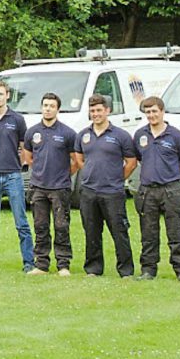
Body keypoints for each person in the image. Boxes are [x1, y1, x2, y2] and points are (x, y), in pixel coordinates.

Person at [73, 94, 138, 278]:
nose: (96, 114)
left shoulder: (121, 135)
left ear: (107, 111)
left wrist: (117, 179)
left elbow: (131, 162)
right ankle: (93, 269)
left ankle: (126, 271)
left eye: (99, 110)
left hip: (113, 192)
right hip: (89, 191)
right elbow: (79, 158)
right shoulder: (83, 135)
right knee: (91, 232)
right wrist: (89, 173)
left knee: (119, 232)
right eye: (92, 111)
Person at [133, 96, 180, 283]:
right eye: (148, 112)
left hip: (171, 190)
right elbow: (139, 159)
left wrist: (168, 177)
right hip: (147, 191)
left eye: (154, 111)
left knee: (177, 232)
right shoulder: (140, 135)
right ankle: (148, 270)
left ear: (162, 112)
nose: (151, 115)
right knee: (148, 234)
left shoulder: (176, 135)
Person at [0, 80, 33, 273]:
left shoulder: (17, 119)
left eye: (1, 94)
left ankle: (29, 262)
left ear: (7, 95)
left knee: (21, 221)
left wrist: (20, 164)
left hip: (13, 176)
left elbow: (24, 146)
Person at [23, 92, 78, 276]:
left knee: (61, 226)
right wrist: (40, 171)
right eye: (45, 105)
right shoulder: (32, 132)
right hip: (38, 187)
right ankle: (41, 265)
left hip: (60, 188)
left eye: (52, 106)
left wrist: (64, 174)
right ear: (41, 107)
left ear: (58, 109)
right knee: (40, 226)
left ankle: (63, 265)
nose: (48, 109)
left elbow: (76, 161)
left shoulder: (68, 133)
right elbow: (28, 157)